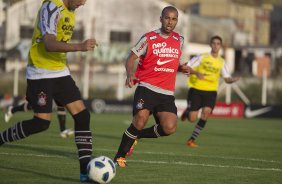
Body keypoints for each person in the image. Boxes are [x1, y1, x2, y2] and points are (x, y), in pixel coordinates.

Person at [0, 0, 97, 182]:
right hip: (40, 72)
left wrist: (66, 70)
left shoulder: (71, 11)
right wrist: (80, 47)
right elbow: (49, 44)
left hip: (60, 72)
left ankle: (85, 171)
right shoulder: (51, 7)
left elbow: (60, 44)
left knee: (83, 116)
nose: (83, 3)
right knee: (41, 123)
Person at [114, 6, 189, 167]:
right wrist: (129, 74)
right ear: (161, 19)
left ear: (177, 21)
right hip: (147, 87)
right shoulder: (148, 38)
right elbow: (131, 57)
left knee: (169, 128)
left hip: (166, 93)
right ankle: (119, 157)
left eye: (174, 19)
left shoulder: (179, 40)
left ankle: (137, 136)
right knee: (140, 119)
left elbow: (172, 62)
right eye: (167, 18)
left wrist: (181, 68)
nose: (170, 22)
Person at [180, 35, 240, 147]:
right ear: (210, 45)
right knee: (192, 119)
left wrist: (232, 80)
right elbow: (187, 67)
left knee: (205, 114)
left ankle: (191, 140)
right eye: (214, 43)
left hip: (211, 91)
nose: (216, 46)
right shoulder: (202, 57)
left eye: (218, 44)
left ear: (220, 46)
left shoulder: (221, 62)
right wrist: (197, 73)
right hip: (197, 89)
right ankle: (188, 112)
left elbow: (226, 78)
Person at [4, 101, 74, 138]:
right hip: (43, 80)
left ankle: (63, 130)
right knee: (39, 104)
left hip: (54, 80)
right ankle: (13, 110)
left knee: (60, 102)